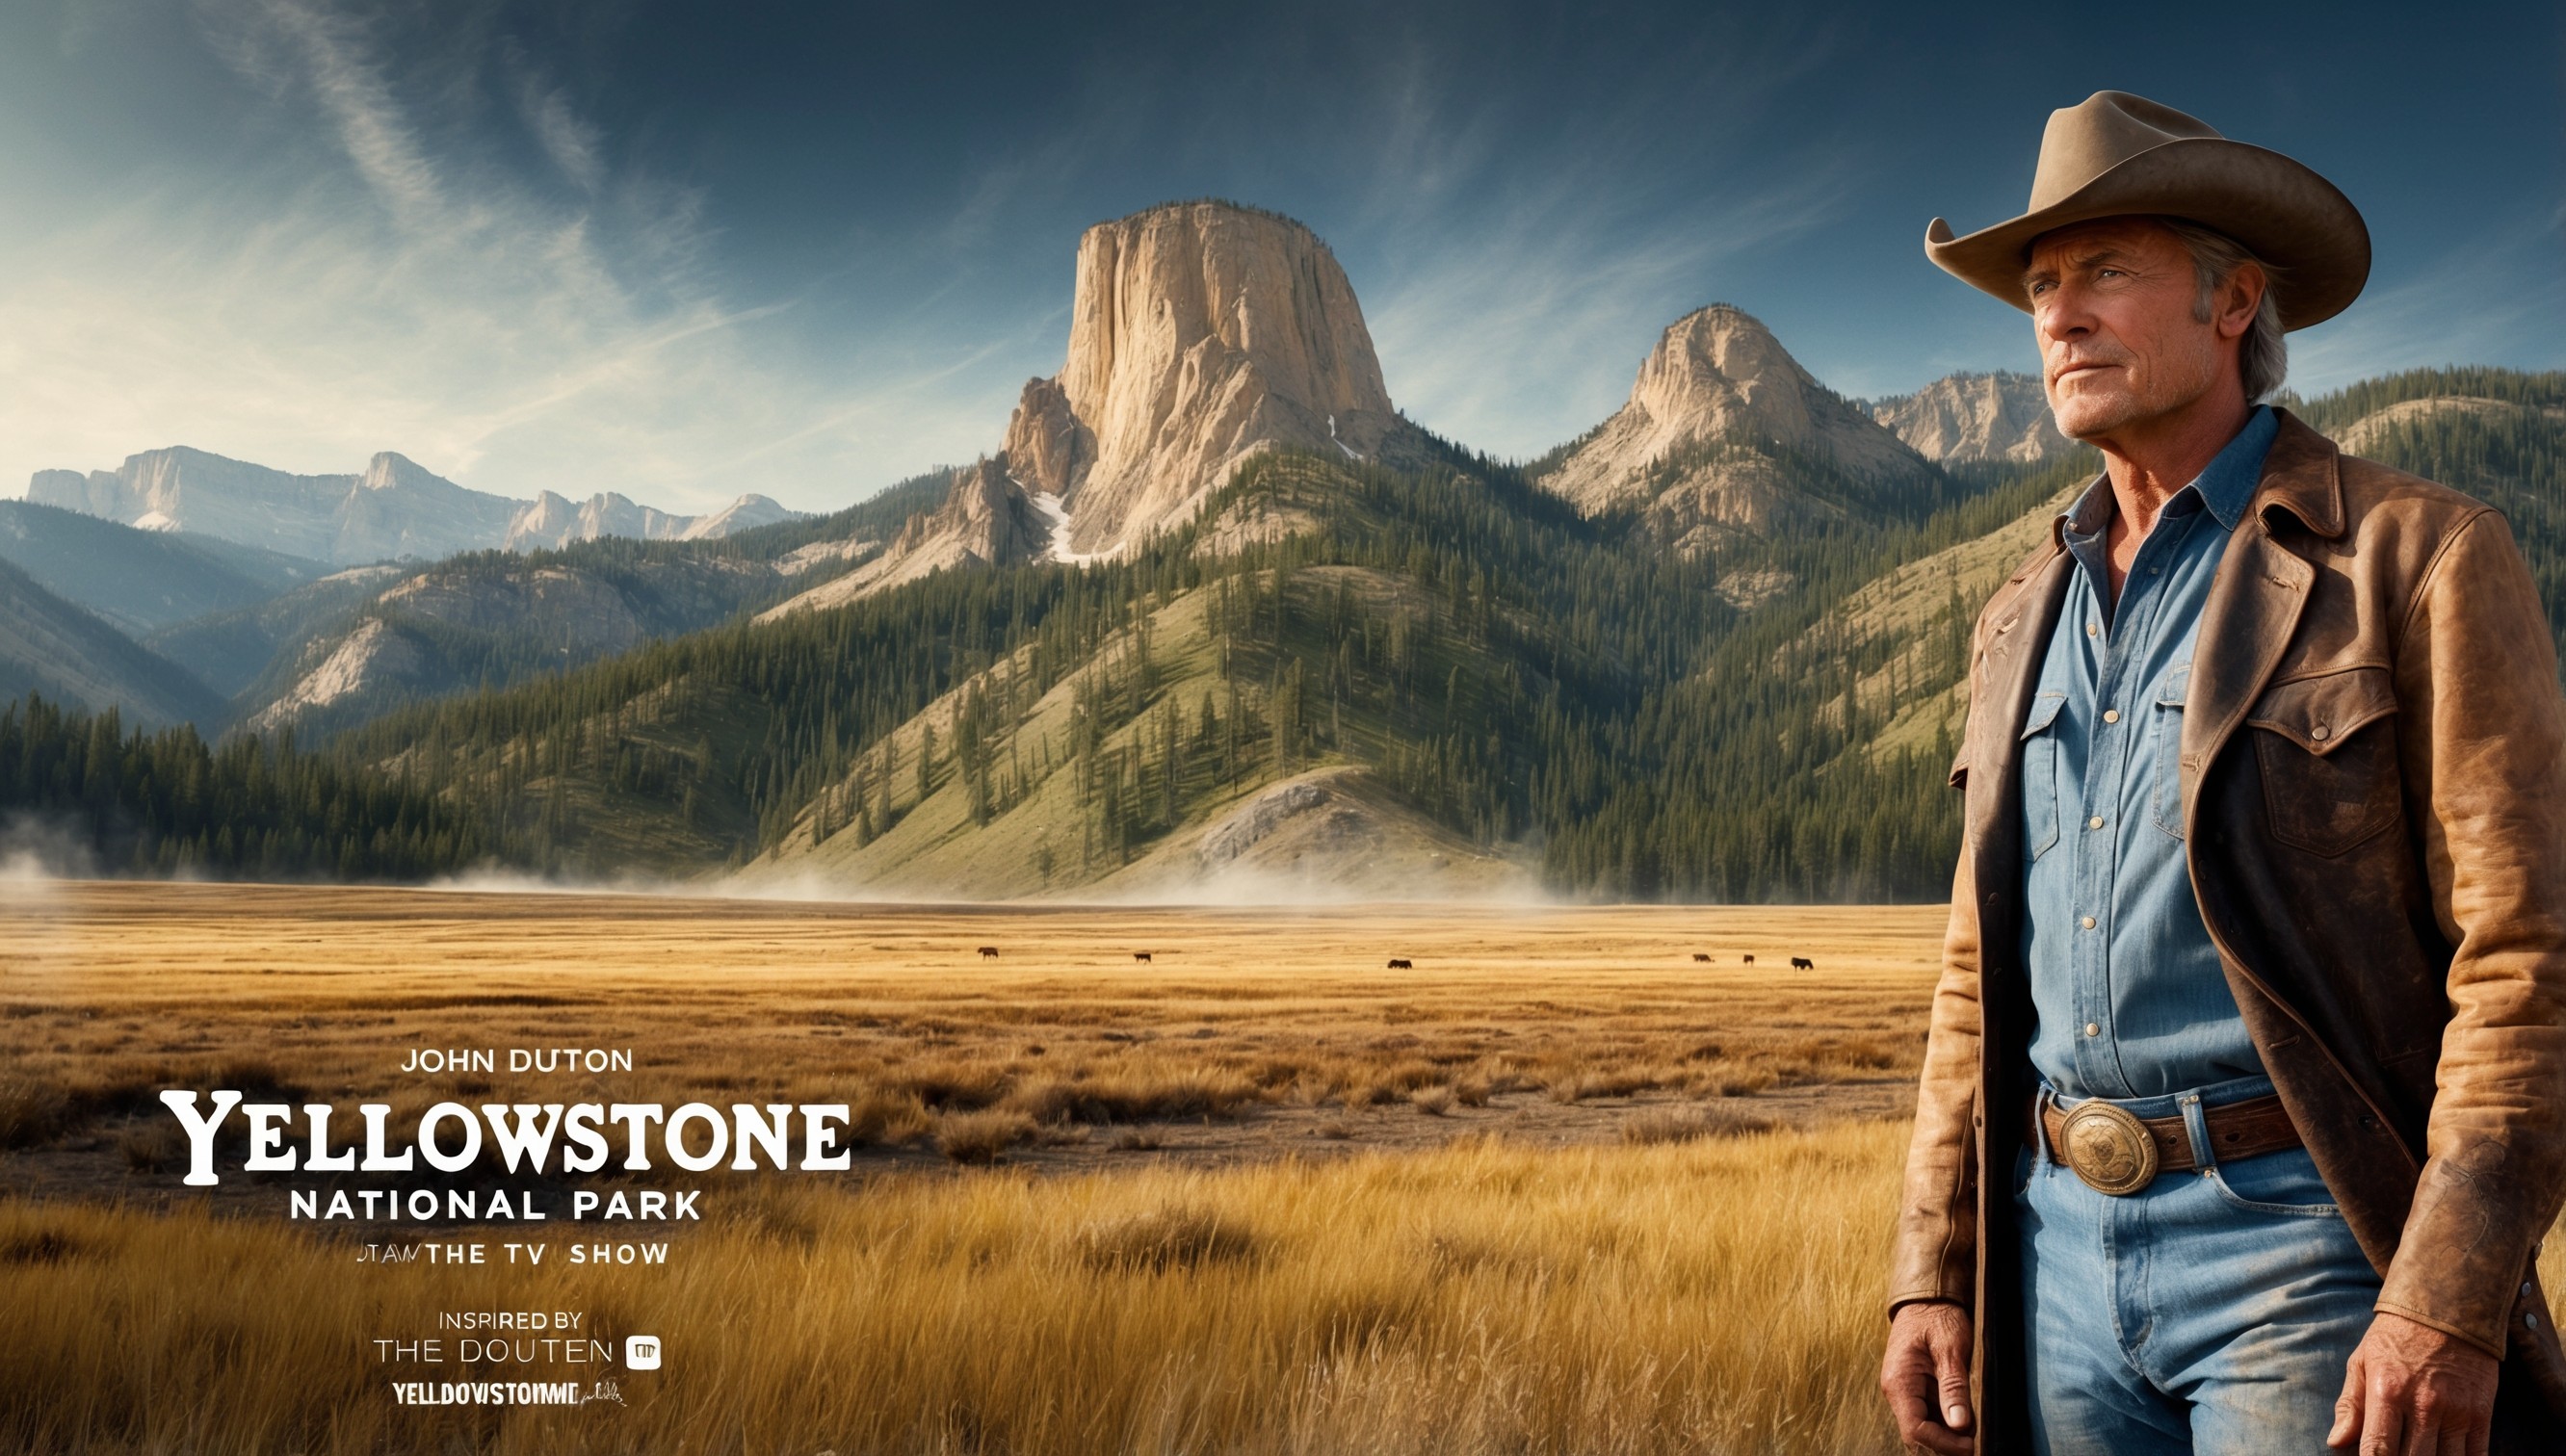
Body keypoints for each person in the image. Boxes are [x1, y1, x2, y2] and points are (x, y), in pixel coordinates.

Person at [1877, 91, 2566, 1456]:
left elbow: (2529, 956)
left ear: (2235, 300)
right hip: (2052, 1253)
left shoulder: (2414, 561)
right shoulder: (2017, 616)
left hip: (2305, 1251)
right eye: (2042, 284)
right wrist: (1934, 1268)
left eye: (2106, 273)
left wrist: (2448, 1292)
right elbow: (1974, 976)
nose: (2060, 317)